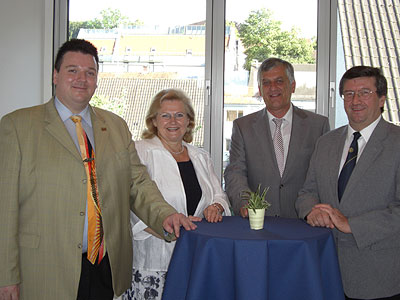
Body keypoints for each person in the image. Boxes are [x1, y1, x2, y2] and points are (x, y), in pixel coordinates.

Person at [0, 39, 198, 300]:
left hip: (105, 267)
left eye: (90, 73)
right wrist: (6, 276)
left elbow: (137, 183)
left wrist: (165, 215)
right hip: (44, 270)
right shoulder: (17, 127)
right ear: (55, 76)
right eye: (72, 70)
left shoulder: (115, 126)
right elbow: (4, 208)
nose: (82, 78)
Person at [296, 66, 400, 300]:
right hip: (325, 269)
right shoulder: (326, 142)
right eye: (349, 94)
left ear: (382, 98)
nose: (356, 100)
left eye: (365, 92)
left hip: (379, 276)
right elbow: (306, 192)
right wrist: (311, 211)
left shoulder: (397, 142)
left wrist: (351, 224)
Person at [121, 89, 231, 300]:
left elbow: (219, 195)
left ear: (189, 121)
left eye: (180, 115)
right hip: (154, 262)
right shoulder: (139, 152)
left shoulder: (200, 156)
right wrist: (169, 227)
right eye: (165, 115)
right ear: (153, 121)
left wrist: (216, 207)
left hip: (196, 258)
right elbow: (130, 204)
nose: (173, 121)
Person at [224, 57, 330, 218]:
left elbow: (324, 176)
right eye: (266, 83)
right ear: (260, 89)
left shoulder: (317, 126)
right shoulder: (242, 127)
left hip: (305, 221)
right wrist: (245, 202)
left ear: (292, 86)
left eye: (279, 81)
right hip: (257, 222)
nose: (272, 88)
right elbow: (235, 173)